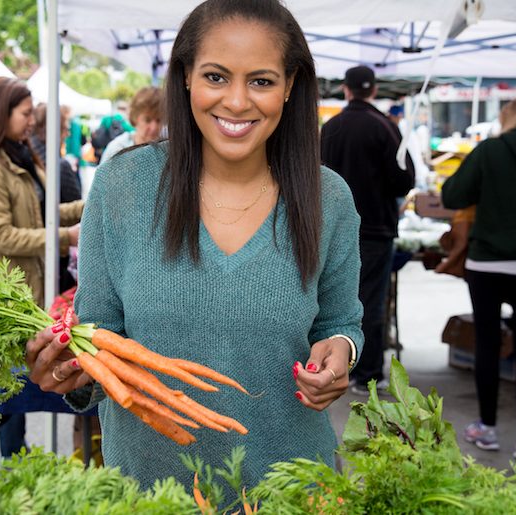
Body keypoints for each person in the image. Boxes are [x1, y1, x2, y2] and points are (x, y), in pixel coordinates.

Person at [25, 0, 364, 496]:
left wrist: (341, 354)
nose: (237, 102)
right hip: (150, 494)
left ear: (291, 86)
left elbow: (340, 323)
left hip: (291, 491)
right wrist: (69, 369)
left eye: (262, 81)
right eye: (217, 77)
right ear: (185, 77)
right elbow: (97, 336)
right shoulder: (124, 187)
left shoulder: (328, 197)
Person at [0, 77, 84, 457]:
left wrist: (89, 206)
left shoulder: (23, 156)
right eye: (25, 112)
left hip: (33, 288)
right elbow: (1, 236)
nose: (32, 120)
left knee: (29, 376)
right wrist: (67, 235)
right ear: (3, 113)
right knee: (12, 390)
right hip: (7, 295)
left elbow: (43, 214)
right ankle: (12, 461)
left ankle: (20, 457)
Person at [441, 98, 516, 457]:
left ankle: (487, 429)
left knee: (488, 346)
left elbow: (452, 194)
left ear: (506, 118)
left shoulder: (489, 150)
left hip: (487, 264)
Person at [320, 66, 414, 394]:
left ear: (346, 90)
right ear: (373, 90)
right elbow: (405, 179)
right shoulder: (386, 127)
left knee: (330, 302)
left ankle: (326, 366)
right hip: (375, 229)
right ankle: (368, 374)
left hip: (330, 229)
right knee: (370, 302)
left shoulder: (330, 127)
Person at [31, 103, 83, 292]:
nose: (67, 133)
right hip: (55, 254)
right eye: (65, 128)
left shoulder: (28, 159)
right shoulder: (58, 166)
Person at [99, 86, 164, 164]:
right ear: (134, 118)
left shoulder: (165, 151)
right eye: (147, 120)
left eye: (158, 120)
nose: (154, 127)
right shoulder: (117, 150)